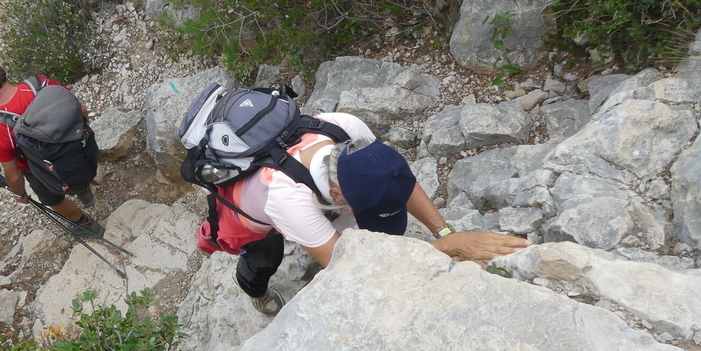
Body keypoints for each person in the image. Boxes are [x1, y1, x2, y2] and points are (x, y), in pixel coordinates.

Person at [218, 111, 530, 315]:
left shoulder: (348, 131)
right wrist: (441, 250)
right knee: (262, 258)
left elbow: (396, 179)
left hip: (315, 191)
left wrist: (446, 233)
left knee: (368, 231)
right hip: (252, 212)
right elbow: (349, 268)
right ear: (339, 196)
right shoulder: (288, 201)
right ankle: (255, 291)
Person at [0, 55, 103, 235]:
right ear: (2, 68)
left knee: (53, 200)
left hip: (40, 169)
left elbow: (13, 174)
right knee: (74, 165)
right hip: (75, 145)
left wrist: (20, 194)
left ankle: (88, 226)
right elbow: (81, 109)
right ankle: (86, 195)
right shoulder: (40, 84)